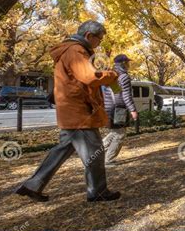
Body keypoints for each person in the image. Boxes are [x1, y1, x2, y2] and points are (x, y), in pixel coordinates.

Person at [15, 20, 121, 202]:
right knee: (96, 153)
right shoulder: (76, 50)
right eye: (99, 39)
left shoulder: (68, 50)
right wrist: (111, 75)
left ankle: (33, 185)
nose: (100, 43)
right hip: (81, 113)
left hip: (70, 111)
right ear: (89, 36)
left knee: (61, 151)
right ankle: (98, 192)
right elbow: (90, 77)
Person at [102, 54, 138, 166]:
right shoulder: (123, 76)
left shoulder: (109, 75)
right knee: (120, 134)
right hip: (119, 109)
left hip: (108, 107)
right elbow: (126, 96)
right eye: (127, 62)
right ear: (123, 64)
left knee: (114, 132)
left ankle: (94, 153)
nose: (129, 64)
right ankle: (108, 160)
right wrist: (133, 110)